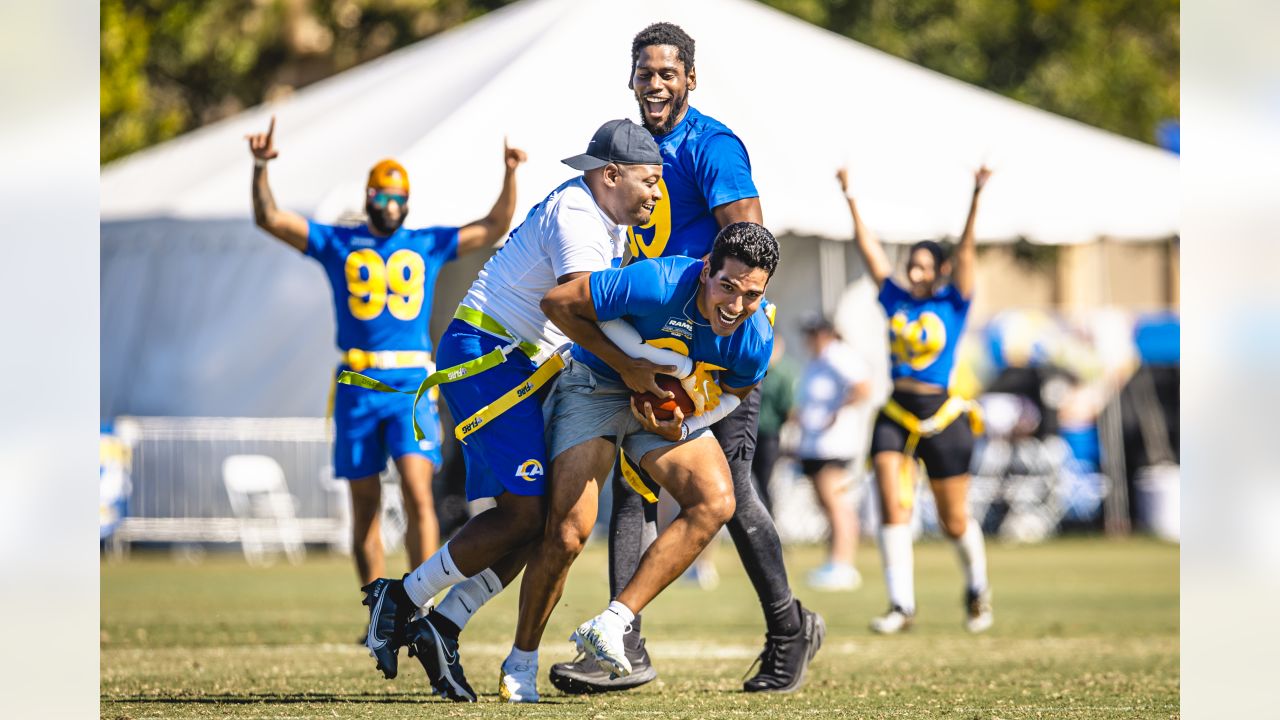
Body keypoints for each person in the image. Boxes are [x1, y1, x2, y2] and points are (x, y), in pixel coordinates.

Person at [550, 21, 824, 697]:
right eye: (645, 72)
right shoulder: (630, 146)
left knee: (730, 492)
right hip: (652, 340)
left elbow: (750, 236)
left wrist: (732, 326)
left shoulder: (710, 144)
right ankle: (623, 648)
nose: (656, 84)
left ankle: (790, 630)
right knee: (633, 489)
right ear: (632, 78)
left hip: (715, 346)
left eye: (668, 73)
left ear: (690, 79)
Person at [353, 119, 666, 702]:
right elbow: (574, 309)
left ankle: (441, 623)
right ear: (612, 175)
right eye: (649, 180)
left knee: (542, 520)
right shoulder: (580, 216)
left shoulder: (601, 217)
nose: (655, 193)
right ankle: (401, 598)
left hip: (512, 362)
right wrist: (636, 368)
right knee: (524, 518)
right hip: (488, 354)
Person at [246, 116, 526, 613]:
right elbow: (271, 219)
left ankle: (420, 607)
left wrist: (510, 173)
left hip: (410, 382)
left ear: (409, 201)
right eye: (382, 196)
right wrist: (260, 168)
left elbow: (494, 226)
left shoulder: (425, 242)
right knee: (364, 504)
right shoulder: (339, 242)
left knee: (420, 492)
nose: (390, 206)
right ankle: (379, 611)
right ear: (368, 197)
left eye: (398, 198)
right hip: (356, 381)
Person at [505, 222, 794, 703]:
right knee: (569, 532)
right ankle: (521, 659)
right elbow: (557, 303)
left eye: (751, 294)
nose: (735, 306)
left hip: (658, 408)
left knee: (716, 501)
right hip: (596, 385)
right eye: (728, 286)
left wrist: (682, 428)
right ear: (705, 270)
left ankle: (613, 623)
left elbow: (736, 393)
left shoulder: (755, 335)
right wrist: (627, 366)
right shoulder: (658, 281)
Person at [836, 164, 994, 634]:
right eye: (913, 265)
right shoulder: (895, 298)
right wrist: (851, 198)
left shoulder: (954, 301)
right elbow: (871, 254)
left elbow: (967, 251)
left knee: (953, 520)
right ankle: (901, 605)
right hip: (898, 411)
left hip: (944, 416)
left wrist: (976, 196)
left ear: (941, 271)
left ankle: (977, 587)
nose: (916, 272)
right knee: (891, 502)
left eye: (925, 266)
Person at [794, 314, 873, 591]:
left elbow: (863, 387)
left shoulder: (838, 355)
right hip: (815, 444)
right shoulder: (818, 362)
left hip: (833, 444)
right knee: (827, 504)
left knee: (837, 503)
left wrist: (836, 412)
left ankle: (843, 564)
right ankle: (834, 560)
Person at [753, 335, 799, 514]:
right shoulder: (756, 367)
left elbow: (788, 408)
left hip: (769, 434)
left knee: (764, 481)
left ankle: (768, 521)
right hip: (747, 432)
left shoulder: (783, 373)